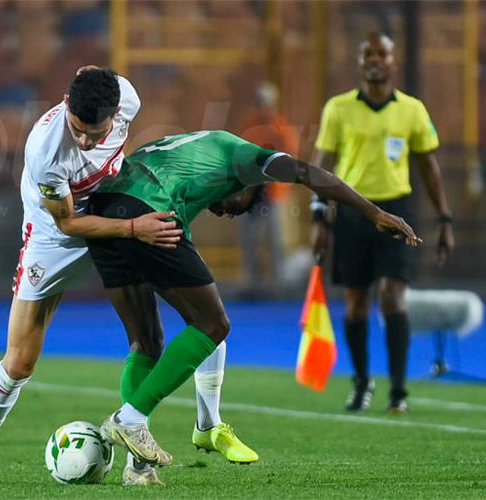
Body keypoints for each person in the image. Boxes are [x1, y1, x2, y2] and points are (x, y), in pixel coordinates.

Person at [85, 130, 420, 470]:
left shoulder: (189, 160)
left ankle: (138, 466)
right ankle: (131, 417)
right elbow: (310, 174)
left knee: (146, 342)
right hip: (147, 206)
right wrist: (373, 213)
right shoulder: (244, 157)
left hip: (102, 211)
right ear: (248, 184)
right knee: (213, 323)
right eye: (236, 208)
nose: (225, 214)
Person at [0, 67, 181, 486]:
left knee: (155, 333)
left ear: (116, 112)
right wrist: (136, 229)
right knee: (20, 361)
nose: (85, 141)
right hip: (54, 239)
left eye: (95, 134)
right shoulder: (45, 149)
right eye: (78, 130)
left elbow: (91, 74)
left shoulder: (127, 98)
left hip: (113, 217)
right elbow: (67, 224)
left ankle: (142, 461)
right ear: (65, 105)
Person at [310, 33, 454, 414]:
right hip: (353, 210)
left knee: (392, 298)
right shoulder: (338, 108)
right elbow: (322, 165)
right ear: (359, 62)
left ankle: (399, 391)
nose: (375, 59)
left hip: (397, 210)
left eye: (382, 54)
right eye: (368, 53)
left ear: (394, 61)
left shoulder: (412, 110)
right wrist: (318, 216)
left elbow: (429, 167)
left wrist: (444, 218)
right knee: (356, 304)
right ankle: (361, 383)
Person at [236, 82, 300, 295]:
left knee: (276, 240)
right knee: (249, 240)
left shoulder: (282, 130)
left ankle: (278, 285)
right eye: (259, 103)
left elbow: (290, 161)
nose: (262, 107)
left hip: (273, 193)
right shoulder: (249, 128)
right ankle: (252, 283)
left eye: (265, 103)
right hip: (251, 192)